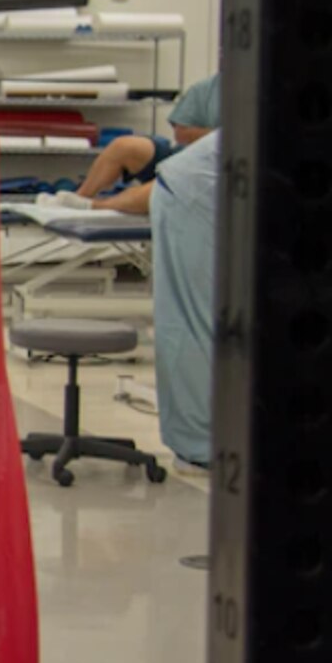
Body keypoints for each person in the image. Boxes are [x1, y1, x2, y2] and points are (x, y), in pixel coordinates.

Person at [82, 132, 218, 469]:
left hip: (210, 186)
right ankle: (199, 449)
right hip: (195, 194)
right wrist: (92, 205)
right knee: (195, 318)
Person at [57, 72, 221, 203]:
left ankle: (94, 207)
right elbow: (182, 133)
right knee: (123, 146)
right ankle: (77, 200)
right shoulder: (206, 89)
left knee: (165, 186)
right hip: (185, 157)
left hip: (211, 171)